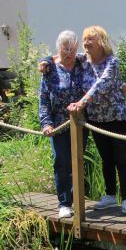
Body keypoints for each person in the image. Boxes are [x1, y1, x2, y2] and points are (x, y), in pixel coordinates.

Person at [67, 26, 126, 216]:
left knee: (121, 159)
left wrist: (81, 102)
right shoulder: (83, 61)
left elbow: (101, 84)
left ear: (101, 42)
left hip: (116, 118)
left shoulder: (112, 62)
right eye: (84, 39)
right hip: (96, 119)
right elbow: (62, 56)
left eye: (91, 38)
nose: (86, 42)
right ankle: (109, 195)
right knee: (106, 159)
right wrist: (46, 61)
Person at [38, 30, 86, 219]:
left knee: (78, 161)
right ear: (59, 49)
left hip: (81, 123)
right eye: (65, 49)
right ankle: (64, 203)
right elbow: (43, 100)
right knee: (62, 162)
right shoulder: (50, 70)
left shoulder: (82, 63)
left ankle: (77, 200)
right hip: (58, 124)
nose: (69, 54)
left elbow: (99, 55)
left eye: (72, 50)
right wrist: (45, 123)